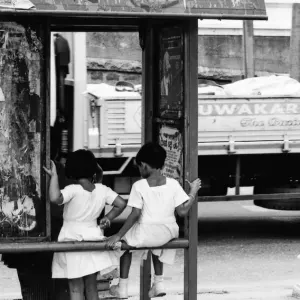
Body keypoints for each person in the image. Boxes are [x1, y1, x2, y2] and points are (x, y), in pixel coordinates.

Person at [106, 142, 201, 298]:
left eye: (139, 167)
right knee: (156, 242)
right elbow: (183, 211)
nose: (139, 170)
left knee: (124, 245)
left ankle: (122, 288)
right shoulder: (173, 184)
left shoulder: (139, 185)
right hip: (168, 232)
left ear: (144, 165)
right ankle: (159, 283)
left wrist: (118, 234)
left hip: (146, 232)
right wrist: (192, 192)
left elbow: (135, 214)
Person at [43, 149, 127, 300]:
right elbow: (121, 203)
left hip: (72, 240)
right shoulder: (102, 190)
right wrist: (108, 217)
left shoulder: (73, 190)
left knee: (75, 288)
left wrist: (54, 176)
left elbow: (55, 198)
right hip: (93, 238)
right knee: (91, 286)